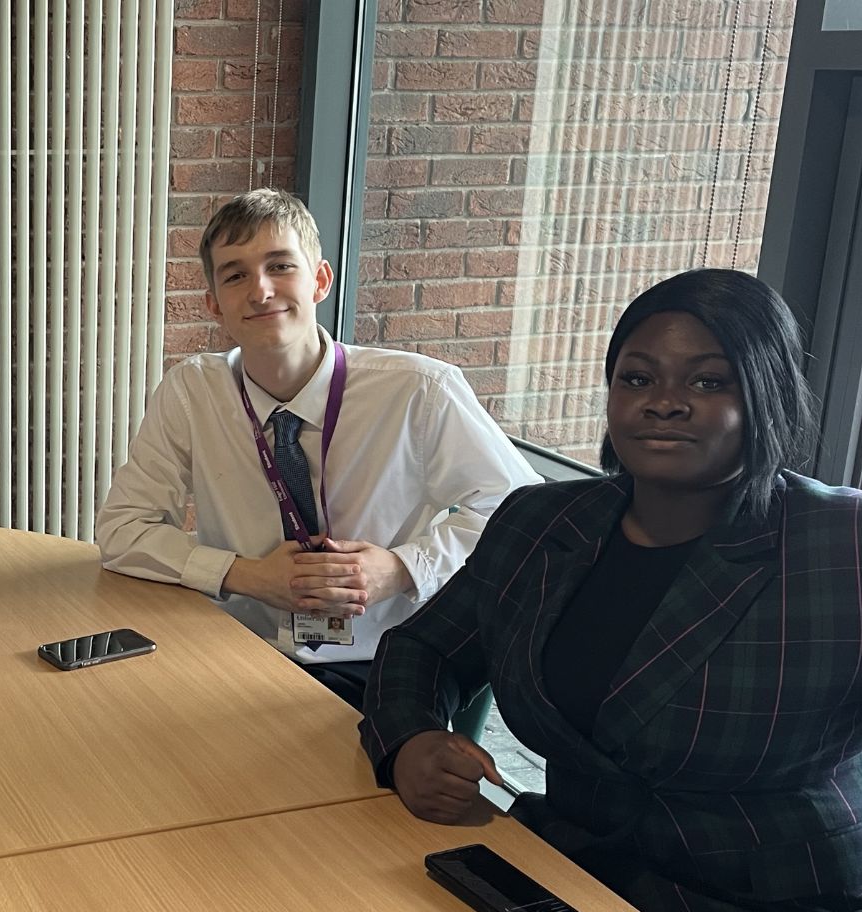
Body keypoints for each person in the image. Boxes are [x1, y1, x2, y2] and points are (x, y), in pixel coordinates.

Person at [361, 268, 862, 912]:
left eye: (708, 380)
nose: (664, 400)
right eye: (637, 377)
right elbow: (422, 648)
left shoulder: (851, 549)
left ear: (767, 396)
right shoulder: (543, 525)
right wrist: (414, 736)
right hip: (579, 884)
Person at [95, 189, 539, 709]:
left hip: (383, 658)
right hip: (237, 648)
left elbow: (525, 522)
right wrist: (247, 576)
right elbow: (123, 531)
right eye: (235, 275)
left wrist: (402, 567)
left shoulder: (419, 390)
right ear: (214, 303)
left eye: (280, 265)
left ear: (320, 280)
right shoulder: (192, 392)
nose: (260, 290)